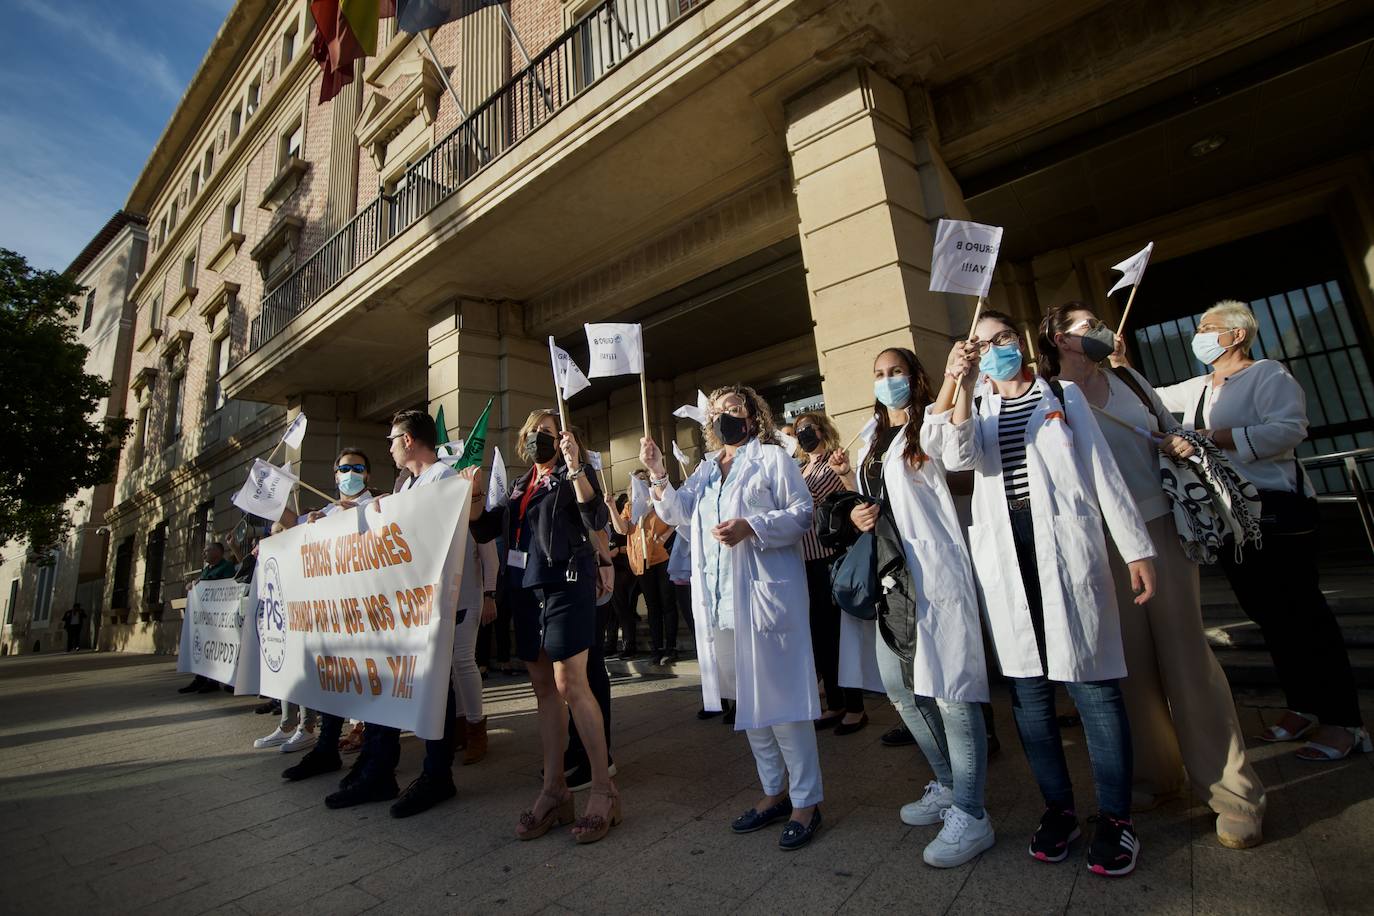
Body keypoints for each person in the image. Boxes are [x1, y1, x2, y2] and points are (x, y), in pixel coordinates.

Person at [927, 310, 1157, 877]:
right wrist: (954, 381)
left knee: (1092, 688)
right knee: (1029, 695)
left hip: (1065, 547)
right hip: (1008, 556)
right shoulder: (978, 409)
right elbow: (953, 456)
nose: (994, 348)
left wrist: (1135, 547)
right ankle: (1059, 810)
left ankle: (1116, 820)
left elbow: (1100, 467)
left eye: (1002, 338)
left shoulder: (1061, 394)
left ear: (1021, 342)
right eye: (981, 344)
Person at [1040, 303, 1268, 847]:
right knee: (1131, 670)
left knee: (1187, 657)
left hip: (1162, 529)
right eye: (1083, 326)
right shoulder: (1045, 394)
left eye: (1097, 322)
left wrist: (1179, 443)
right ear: (1057, 340)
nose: (1097, 330)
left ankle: (1233, 793)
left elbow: (1167, 430)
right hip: (1097, 544)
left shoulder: (1129, 379)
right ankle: (1154, 776)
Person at [1143, 300, 1368, 761]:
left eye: (1208, 328)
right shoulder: (1201, 386)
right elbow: (1151, 397)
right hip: (1229, 513)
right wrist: (1120, 363)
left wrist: (1210, 437)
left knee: (1303, 614)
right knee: (1268, 615)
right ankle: (1302, 706)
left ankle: (1344, 722)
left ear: (1236, 335)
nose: (1200, 336)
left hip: (1276, 510)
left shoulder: (1268, 375)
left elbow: (1287, 430)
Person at [827, 349, 994, 867]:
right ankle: (947, 784)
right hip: (890, 575)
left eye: (895, 372)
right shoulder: (872, 437)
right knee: (899, 688)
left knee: (951, 692)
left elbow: (949, 448)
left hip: (933, 572)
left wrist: (953, 378)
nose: (886, 381)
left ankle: (973, 812)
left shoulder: (930, 425)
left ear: (914, 377)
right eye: (877, 375)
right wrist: (855, 502)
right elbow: (880, 498)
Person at [642, 385, 824, 851]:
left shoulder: (773, 460)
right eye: (720, 411)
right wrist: (659, 473)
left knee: (781, 704)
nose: (727, 417)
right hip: (720, 603)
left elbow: (803, 514)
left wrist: (753, 527)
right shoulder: (705, 470)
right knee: (747, 704)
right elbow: (679, 515)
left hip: (763, 601)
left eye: (736, 409)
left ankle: (806, 801)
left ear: (753, 415)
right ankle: (773, 792)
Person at [471, 409, 619, 843]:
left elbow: (595, 519)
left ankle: (604, 789)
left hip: (565, 584)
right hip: (523, 588)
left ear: (564, 438)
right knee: (543, 689)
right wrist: (475, 496)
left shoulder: (577, 473)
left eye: (548, 433)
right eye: (533, 432)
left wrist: (576, 467)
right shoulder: (518, 486)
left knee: (571, 683)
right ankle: (554, 791)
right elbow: (484, 530)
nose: (539, 438)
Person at [264, 450, 376, 757]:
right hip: (329, 609)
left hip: (360, 605)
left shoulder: (377, 504)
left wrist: (361, 513)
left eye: (357, 468)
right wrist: (274, 498)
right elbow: (292, 524)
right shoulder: (328, 510)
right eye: (344, 468)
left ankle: (365, 729)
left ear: (367, 475)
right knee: (335, 675)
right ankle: (328, 736)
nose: (350, 473)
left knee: (361, 670)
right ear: (335, 474)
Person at [792, 410, 866, 734]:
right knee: (819, 636)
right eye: (799, 430)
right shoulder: (798, 468)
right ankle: (834, 702)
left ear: (822, 431)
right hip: (804, 561)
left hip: (830, 557)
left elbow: (847, 498)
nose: (804, 434)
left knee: (838, 634)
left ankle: (855, 706)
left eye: (809, 428)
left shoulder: (832, 462)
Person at [610, 471, 678, 666]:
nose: (642, 480)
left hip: (661, 557)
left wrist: (666, 536)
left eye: (644, 478)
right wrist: (611, 507)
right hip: (641, 561)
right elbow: (622, 529)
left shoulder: (658, 499)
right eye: (638, 479)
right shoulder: (630, 507)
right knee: (652, 605)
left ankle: (671, 647)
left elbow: (675, 518)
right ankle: (656, 649)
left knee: (667, 603)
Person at [177, 542, 238, 694]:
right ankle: (201, 678)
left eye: (207, 550)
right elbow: (201, 584)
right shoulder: (206, 569)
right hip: (206, 620)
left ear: (218, 551)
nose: (203, 553)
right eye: (203, 551)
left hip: (220, 619)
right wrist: (193, 586)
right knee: (204, 647)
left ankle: (214, 681)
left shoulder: (227, 567)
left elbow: (227, 587)